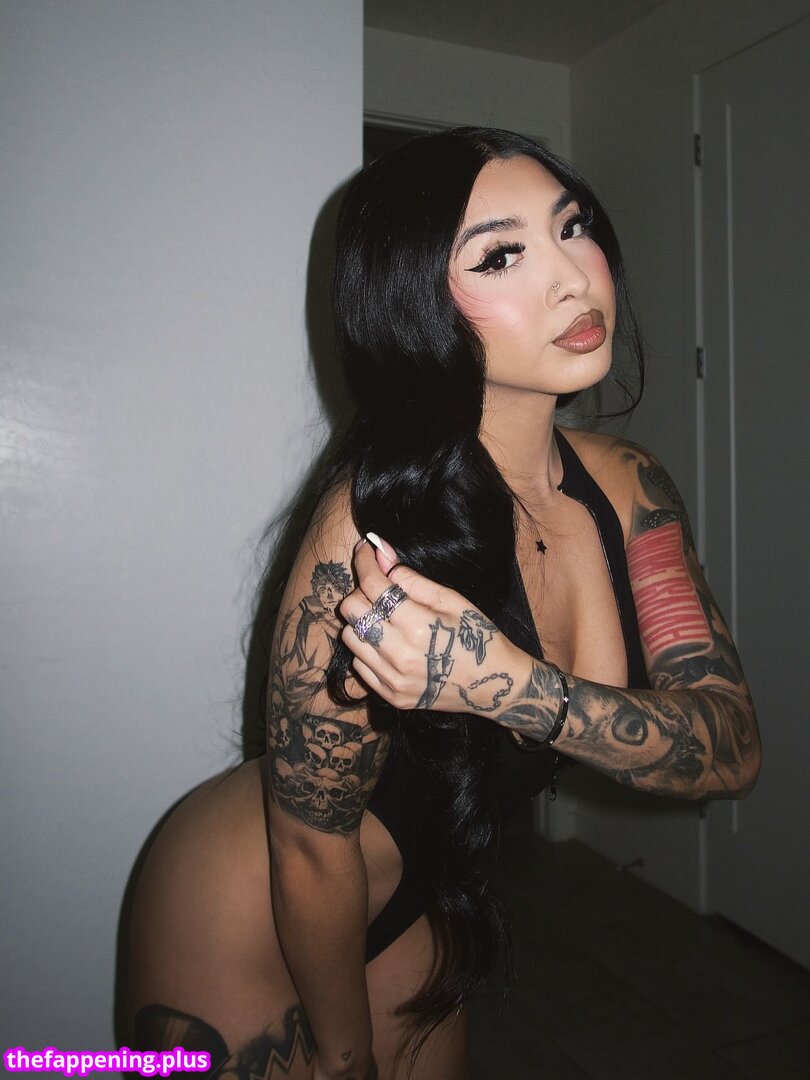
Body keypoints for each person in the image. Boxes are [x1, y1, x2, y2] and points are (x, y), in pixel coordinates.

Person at [124, 128, 761, 1080]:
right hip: (254, 903)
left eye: (572, 227)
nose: (572, 278)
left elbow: (730, 746)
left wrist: (511, 685)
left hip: (413, 899)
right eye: (501, 256)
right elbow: (308, 843)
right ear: (416, 304)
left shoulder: (631, 487)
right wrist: (344, 1058)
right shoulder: (370, 525)